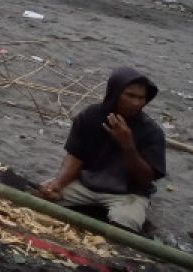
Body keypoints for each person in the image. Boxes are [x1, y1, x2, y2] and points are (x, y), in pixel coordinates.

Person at [37, 67, 166, 233]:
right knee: (42, 195)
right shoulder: (91, 116)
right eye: (130, 96)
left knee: (125, 224)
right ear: (115, 93)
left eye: (141, 98)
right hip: (86, 184)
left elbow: (145, 179)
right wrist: (59, 183)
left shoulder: (151, 132)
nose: (136, 103)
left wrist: (127, 145)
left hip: (127, 193)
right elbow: (76, 155)